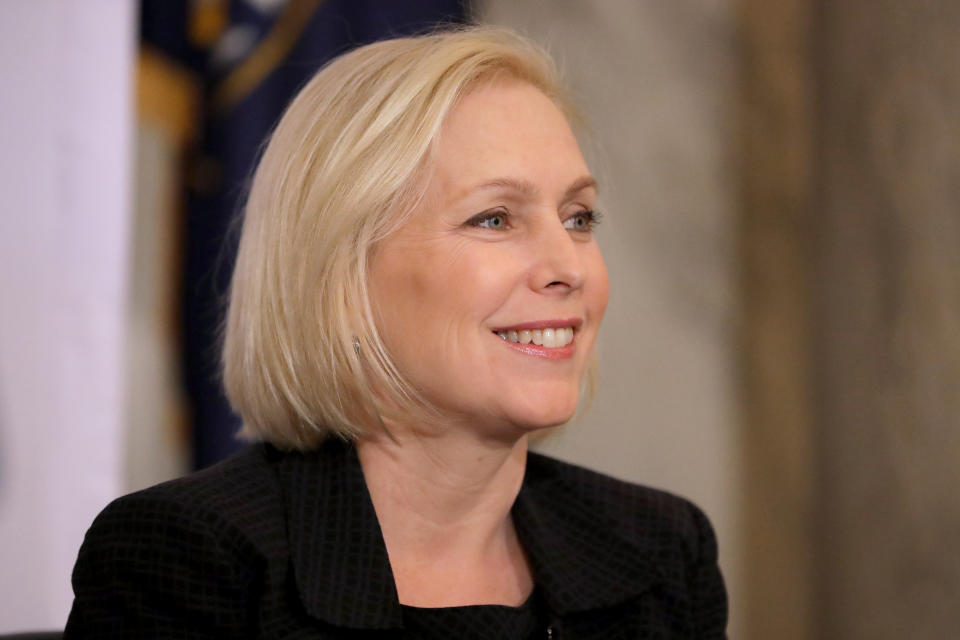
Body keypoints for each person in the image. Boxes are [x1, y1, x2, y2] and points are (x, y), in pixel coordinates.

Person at [64, 26, 727, 639]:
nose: (567, 267)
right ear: (341, 278)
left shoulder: (661, 548)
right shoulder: (187, 558)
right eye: (495, 219)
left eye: (578, 218)